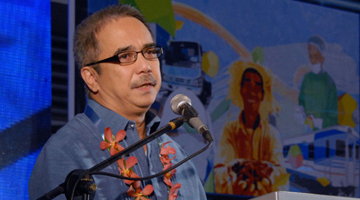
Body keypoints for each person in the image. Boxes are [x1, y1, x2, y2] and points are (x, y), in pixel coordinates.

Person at [28, 4, 206, 200]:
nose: (146, 66)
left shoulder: (179, 158)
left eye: (150, 51)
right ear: (92, 78)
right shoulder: (66, 153)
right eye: (126, 56)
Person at [214, 61, 289, 196]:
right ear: (240, 90)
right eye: (247, 84)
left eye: (257, 86)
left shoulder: (272, 134)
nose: (252, 91)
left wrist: (264, 171)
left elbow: (282, 177)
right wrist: (239, 168)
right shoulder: (229, 130)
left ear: (262, 94)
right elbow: (219, 174)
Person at [298, 35, 338, 129]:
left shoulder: (329, 83)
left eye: (315, 56)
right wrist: (300, 113)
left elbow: (333, 119)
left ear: (323, 58)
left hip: (323, 135)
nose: (312, 61)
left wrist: (318, 123)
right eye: (310, 56)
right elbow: (301, 102)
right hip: (305, 132)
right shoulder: (307, 79)